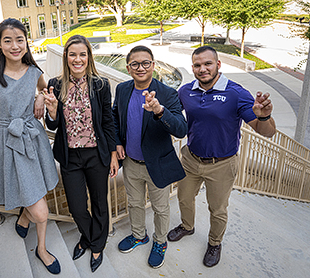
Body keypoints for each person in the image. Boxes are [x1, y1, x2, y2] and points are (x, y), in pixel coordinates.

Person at [0, 18, 61, 275]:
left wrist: (41, 96)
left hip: (33, 138)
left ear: (26, 42)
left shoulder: (34, 72)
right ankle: (30, 218)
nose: (15, 45)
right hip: (7, 141)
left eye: (19, 39)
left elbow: (47, 90)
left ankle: (39, 244)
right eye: (8, 40)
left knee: (37, 189)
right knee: (41, 211)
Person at [168, 46, 276, 267]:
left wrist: (264, 117)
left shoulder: (236, 94)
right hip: (191, 158)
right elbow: (174, 116)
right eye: (197, 65)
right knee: (184, 198)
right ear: (193, 68)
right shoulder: (186, 91)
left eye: (208, 63)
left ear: (218, 65)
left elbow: (266, 131)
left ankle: (215, 243)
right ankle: (187, 227)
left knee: (217, 209)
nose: (202, 69)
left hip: (222, 164)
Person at [43, 35, 118, 273]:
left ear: (89, 57)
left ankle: (94, 245)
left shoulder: (101, 85)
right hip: (70, 157)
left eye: (82, 54)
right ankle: (93, 238)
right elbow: (52, 126)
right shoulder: (55, 83)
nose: (78, 59)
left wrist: (114, 154)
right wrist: (53, 111)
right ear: (66, 57)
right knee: (76, 207)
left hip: (97, 154)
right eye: (72, 54)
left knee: (99, 204)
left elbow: (108, 121)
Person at [112, 45, 187, 268]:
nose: (140, 68)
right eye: (135, 64)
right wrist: (116, 142)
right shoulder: (123, 89)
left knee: (160, 208)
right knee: (134, 203)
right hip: (132, 163)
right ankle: (138, 235)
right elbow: (115, 117)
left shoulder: (167, 93)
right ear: (128, 68)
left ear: (153, 65)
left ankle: (160, 242)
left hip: (157, 163)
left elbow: (181, 129)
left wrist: (160, 111)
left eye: (146, 63)